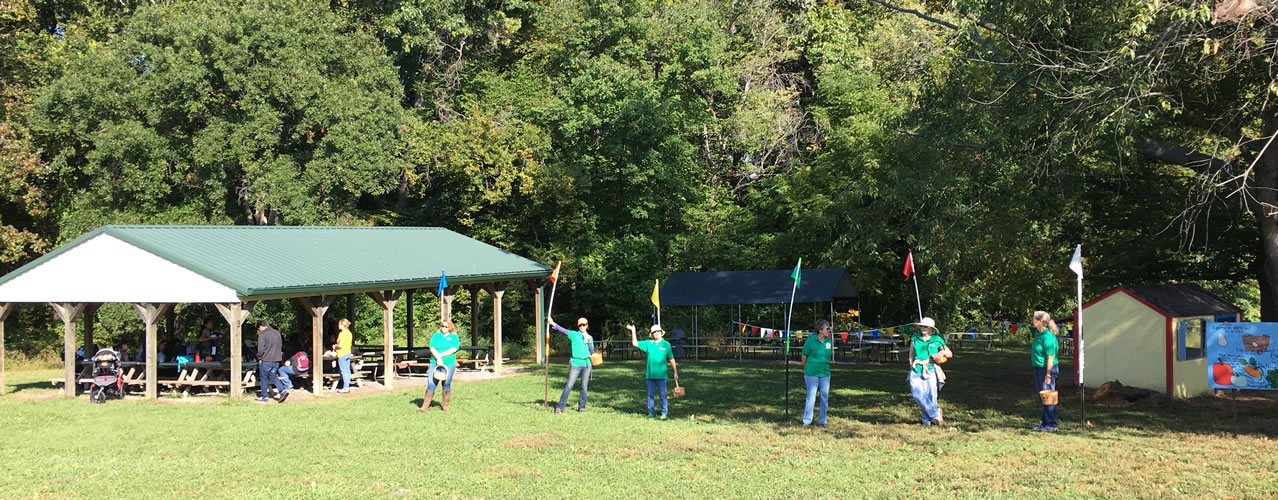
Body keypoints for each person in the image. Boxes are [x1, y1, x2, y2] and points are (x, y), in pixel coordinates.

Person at [629, 324, 678, 420]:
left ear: (661, 332)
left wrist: (675, 371)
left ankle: (664, 412)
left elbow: (671, 358)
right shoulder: (649, 343)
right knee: (650, 395)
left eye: (658, 331)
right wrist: (633, 331)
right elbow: (635, 343)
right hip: (650, 374)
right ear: (652, 334)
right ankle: (651, 412)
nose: (656, 333)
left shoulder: (666, 344)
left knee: (663, 394)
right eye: (654, 332)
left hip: (662, 375)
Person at [548, 316, 595, 414]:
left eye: (584, 325)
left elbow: (592, 352)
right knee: (569, 385)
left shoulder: (589, 337)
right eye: (580, 325)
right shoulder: (574, 335)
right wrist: (553, 323)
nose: (582, 326)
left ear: (587, 326)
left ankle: (582, 407)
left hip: (587, 364)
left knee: (584, 386)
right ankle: (560, 407)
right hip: (576, 363)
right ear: (578, 326)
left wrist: (589, 342)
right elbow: (563, 330)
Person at [907, 317, 949, 426]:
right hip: (916, 368)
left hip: (930, 369)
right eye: (921, 326)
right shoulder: (915, 337)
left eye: (925, 326)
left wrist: (941, 353)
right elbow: (911, 353)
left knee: (931, 395)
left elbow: (949, 353)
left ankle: (926, 420)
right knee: (917, 393)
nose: (922, 328)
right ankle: (935, 413)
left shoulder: (937, 339)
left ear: (931, 328)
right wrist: (911, 366)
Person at [418, 319, 460, 412]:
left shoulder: (454, 337)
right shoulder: (436, 336)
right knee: (431, 383)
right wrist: (438, 358)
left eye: (446, 326)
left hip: (449, 363)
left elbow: (454, 348)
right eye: (442, 326)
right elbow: (432, 347)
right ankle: (424, 406)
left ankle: (445, 406)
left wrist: (441, 355)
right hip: (434, 363)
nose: (444, 328)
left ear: (450, 328)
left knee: (446, 383)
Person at [1030, 311, 1060, 432]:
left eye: (1034, 319)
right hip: (1039, 368)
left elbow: (1050, 357)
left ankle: (1052, 424)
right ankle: (1045, 423)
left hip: (1047, 369)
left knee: (1048, 396)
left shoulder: (1048, 338)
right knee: (1043, 396)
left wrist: (1048, 374)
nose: (1032, 321)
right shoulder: (1040, 335)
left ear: (1040, 321)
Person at [801, 319, 835, 428]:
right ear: (820, 330)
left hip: (825, 373)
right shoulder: (810, 341)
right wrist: (806, 369)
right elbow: (804, 356)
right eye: (827, 328)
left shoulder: (829, 342)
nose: (829, 330)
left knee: (824, 397)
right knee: (811, 397)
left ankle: (823, 421)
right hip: (811, 373)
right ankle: (807, 421)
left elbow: (828, 356)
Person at [254, 320, 288, 403]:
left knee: (263, 378)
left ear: (260, 326)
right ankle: (283, 390)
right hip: (277, 359)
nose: (259, 331)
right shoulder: (277, 333)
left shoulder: (262, 334)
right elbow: (280, 345)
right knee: (273, 376)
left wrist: (258, 356)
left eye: (258, 329)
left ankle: (264, 397)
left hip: (266, 359)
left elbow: (261, 349)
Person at [333, 318, 354, 393]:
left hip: (342, 353)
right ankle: (347, 386)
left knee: (344, 371)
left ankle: (345, 387)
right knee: (348, 370)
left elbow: (340, 345)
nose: (338, 326)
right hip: (348, 352)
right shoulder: (349, 333)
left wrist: (335, 346)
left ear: (343, 325)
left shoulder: (342, 334)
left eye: (339, 324)